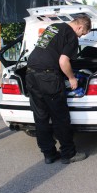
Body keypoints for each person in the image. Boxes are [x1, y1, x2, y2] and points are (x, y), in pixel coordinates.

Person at [26, 14, 91, 164]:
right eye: (83, 33)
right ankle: (68, 154)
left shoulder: (53, 27)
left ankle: (49, 154)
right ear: (80, 27)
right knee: (60, 117)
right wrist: (71, 78)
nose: (81, 36)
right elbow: (63, 61)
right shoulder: (71, 35)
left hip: (30, 74)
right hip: (49, 77)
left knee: (40, 116)